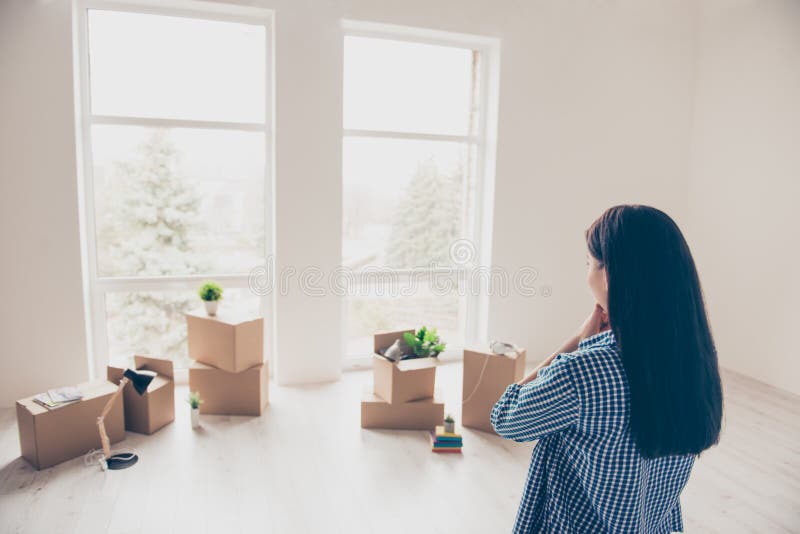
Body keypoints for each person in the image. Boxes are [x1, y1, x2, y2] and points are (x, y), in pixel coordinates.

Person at [491, 204, 723, 533]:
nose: (586, 274)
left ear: (610, 275)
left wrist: (574, 342)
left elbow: (506, 418)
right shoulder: (696, 360)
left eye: (589, 263)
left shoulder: (583, 371)